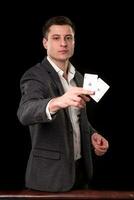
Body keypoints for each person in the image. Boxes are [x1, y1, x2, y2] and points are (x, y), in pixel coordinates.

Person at [17, 16, 109, 192]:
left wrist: (92, 136)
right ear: (45, 43)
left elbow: (76, 119)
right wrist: (58, 101)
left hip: (81, 174)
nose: (63, 43)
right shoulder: (35, 76)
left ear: (74, 42)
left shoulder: (79, 77)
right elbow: (25, 112)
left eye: (68, 38)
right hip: (48, 178)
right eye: (56, 38)